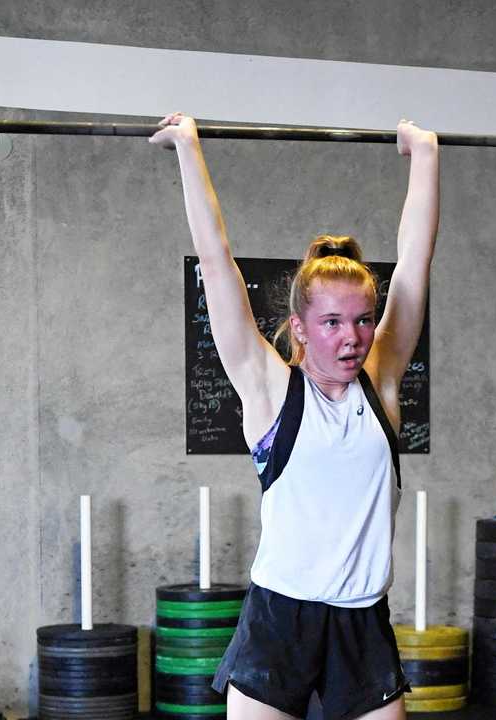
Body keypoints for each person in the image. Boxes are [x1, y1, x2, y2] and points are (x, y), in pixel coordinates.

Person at [150, 112, 439, 720]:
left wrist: (426, 153)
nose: (353, 336)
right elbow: (216, 258)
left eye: (363, 319)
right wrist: (187, 146)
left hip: (362, 623)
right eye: (332, 322)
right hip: (280, 619)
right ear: (301, 329)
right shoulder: (268, 391)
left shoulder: (380, 385)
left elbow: (414, 265)